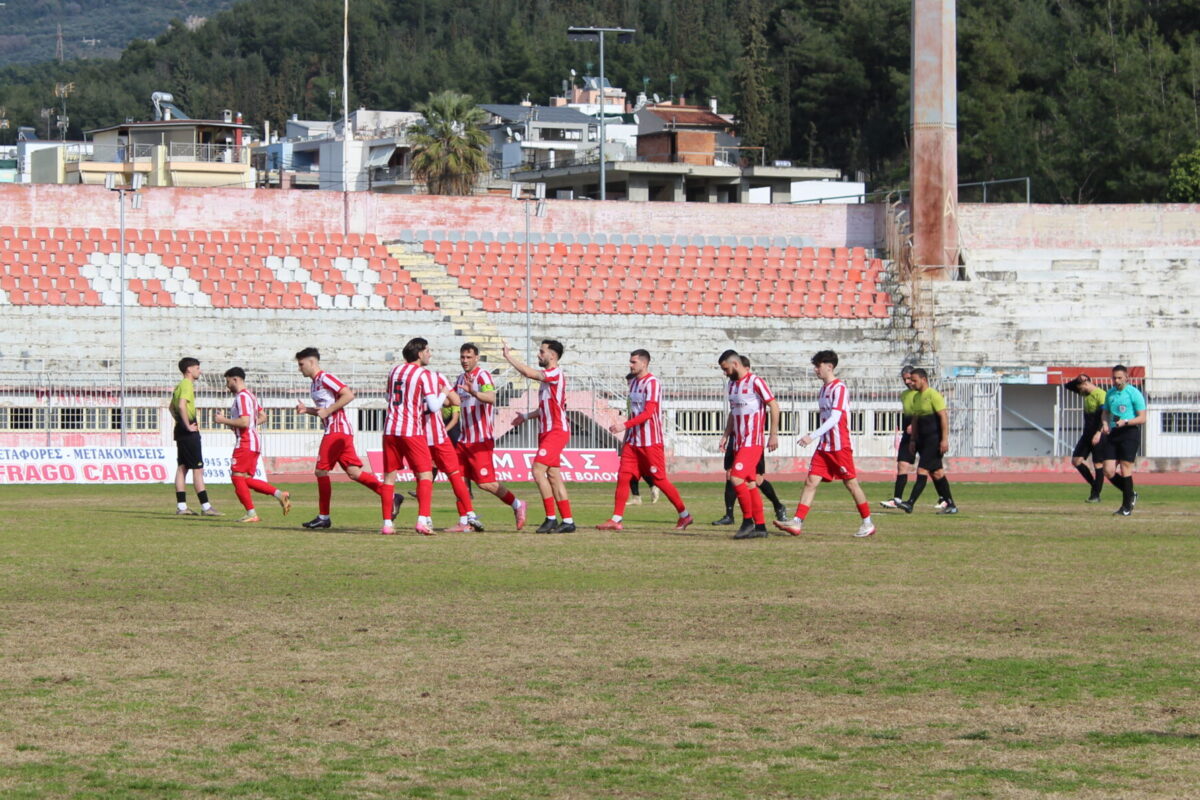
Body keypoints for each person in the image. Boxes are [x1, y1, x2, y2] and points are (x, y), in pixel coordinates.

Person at [293, 347, 399, 529]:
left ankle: (324, 517)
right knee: (354, 472)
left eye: (301, 364)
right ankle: (389, 495)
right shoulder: (315, 383)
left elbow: (348, 394)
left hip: (337, 431)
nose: (299, 368)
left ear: (311, 362)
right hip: (339, 431)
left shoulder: (325, 377)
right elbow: (325, 409)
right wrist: (308, 410)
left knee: (320, 471)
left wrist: (328, 410)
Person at [775, 350, 876, 537]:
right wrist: (818, 438)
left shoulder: (840, 388)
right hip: (825, 446)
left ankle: (868, 523)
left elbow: (836, 418)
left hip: (839, 446)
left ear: (829, 366)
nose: (815, 370)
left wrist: (812, 435)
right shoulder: (823, 389)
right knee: (810, 481)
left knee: (851, 484)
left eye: (818, 366)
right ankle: (797, 522)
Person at [597, 349, 694, 531]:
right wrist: (626, 438)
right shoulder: (633, 383)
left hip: (651, 442)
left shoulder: (653, 383)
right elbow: (633, 412)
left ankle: (685, 515)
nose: (630, 365)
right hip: (633, 442)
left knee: (659, 480)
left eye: (633, 362)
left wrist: (623, 425)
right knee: (623, 477)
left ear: (644, 363)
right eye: (630, 361)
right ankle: (616, 519)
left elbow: (649, 413)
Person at [503, 339, 575, 533]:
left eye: (542, 352)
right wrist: (526, 416)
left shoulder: (554, 373)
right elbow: (544, 408)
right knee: (553, 475)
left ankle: (551, 518)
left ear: (552, 355)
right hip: (547, 431)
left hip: (556, 431)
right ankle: (568, 521)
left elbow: (528, 373)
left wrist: (509, 357)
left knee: (537, 470)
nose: (538, 355)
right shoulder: (548, 380)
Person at [454, 343, 527, 530]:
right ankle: (466, 521)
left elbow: (491, 397)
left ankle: (517, 504)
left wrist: (474, 392)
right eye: (462, 357)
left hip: (480, 440)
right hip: (464, 440)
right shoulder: (460, 379)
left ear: (477, 358)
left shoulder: (483, 376)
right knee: (459, 480)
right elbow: (453, 401)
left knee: (486, 483)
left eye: (469, 357)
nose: (465, 361)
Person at [712, 354, 788, 525]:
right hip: (737, 442)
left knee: (737, 478)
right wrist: (726, 435)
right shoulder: (731, 385)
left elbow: (774, 405)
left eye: (726, 368)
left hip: (752, 442)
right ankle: (760, 526)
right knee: (750, 482)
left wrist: (773, 434)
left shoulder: (755, 382)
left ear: (736, 364)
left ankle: (748, 521)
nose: (724, 373)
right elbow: (734, 412)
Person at [382, 337, 447, 535]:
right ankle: (422, 520)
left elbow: (388, 396)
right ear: (419, 354)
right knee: (426, 473)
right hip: (411, 430)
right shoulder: (423, 373)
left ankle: (386, 524)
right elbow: (435, 406)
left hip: (390, 429)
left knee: (389, 477)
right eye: (427, 351)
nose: (430, 354)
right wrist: (444, 392)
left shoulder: (394, 370)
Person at [214, 367, 290, 523]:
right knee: (246, 479)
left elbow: (244, 421)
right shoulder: (251, 396)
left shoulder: (241, 397)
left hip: (245, 442)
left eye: (228, 381)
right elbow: (263, 416)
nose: (227, 385)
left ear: (235, 379)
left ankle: (251, 513)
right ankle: (279, 494)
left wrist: (223, 420)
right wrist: (246, 425)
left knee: (237, 477)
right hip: (254, 442)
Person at [418, 350, 480, 533]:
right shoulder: (436, 377)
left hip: (418, 436)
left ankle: (425, 518)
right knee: (455, 475)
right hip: (438, 436)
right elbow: (455, 400)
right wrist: (441, 398)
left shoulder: (405, 377)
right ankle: (470, 515)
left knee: (424, 477)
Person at [896, 368, 957, 514]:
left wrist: (944, 439)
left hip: (934, 440)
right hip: (922, 440)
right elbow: (916, 419)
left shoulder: (933, 395)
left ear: (923, 379)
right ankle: (951, 505)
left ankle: (910, 503)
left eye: (914, 380)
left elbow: (943, 417)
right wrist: (912, 440)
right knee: (937, 473)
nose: (911, 382)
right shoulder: (917, 397)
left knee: (922, 470)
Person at [169, 357, 219, 516]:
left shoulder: (179, 386)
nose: (200, 371)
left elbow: (172, 407)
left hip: (180, 430)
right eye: (197, 368)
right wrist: (187, 424)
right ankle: (206, 507)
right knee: (198, 468)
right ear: (189, 369)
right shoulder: (186, 384)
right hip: (189, 430)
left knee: (182, 467)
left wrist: (179, 423)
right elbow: (182, 405)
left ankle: (182, 507)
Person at [1097, 364, 1146, 516]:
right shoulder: (1110, 393)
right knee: (1108, 470)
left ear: (1126, 377)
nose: (1116, 380)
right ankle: (1131, 493)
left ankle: (1126, 507)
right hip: (1114, 433)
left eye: (1119, 377)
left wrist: (1126, 422)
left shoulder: (1134, 393)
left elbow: (1142, 418)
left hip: (1129, 433)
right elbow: (1105, 413)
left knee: (1125, 468)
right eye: (1114, 377)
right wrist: (1105, 423)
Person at [1065, 373, 1111, 503]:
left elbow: (1105, 415)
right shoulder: (1086, 394)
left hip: (1099, 433)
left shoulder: (1101, 394)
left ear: (1086, 384)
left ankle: (1095, 495)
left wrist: (1098, 432)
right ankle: (1095, 486)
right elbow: (1067, 386)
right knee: (1076, 461)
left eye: (1080, 387)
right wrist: (1078, 379)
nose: (1078, 390)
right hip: (1087, 434)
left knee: (1098, 464)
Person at [879, 366, 918, 510]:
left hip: (923, 435)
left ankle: (945, 499)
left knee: (932, 469)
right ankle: (897, 499)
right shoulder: (904, 395)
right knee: (902, 464)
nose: (907, 382)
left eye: (909, 378)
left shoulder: (924, 394)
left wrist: (916, 425)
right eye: (904, 379)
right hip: (908, 435)